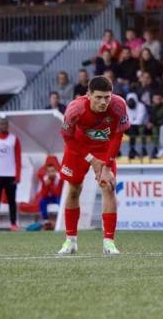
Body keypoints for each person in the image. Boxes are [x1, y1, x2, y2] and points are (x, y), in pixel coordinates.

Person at [57, 76, 129, 255]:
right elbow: (67, 136)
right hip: (79, 148)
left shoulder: (119, 105)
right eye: (98, 97)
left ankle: (109, 243)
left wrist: (106, 166)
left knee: (109, 188)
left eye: (107, 97)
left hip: (105, 149)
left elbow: (118, 136)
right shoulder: (75, 108)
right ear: (88, 95)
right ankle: (70, 241)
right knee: (74, 190)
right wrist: (91, 160)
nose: (103, 102)